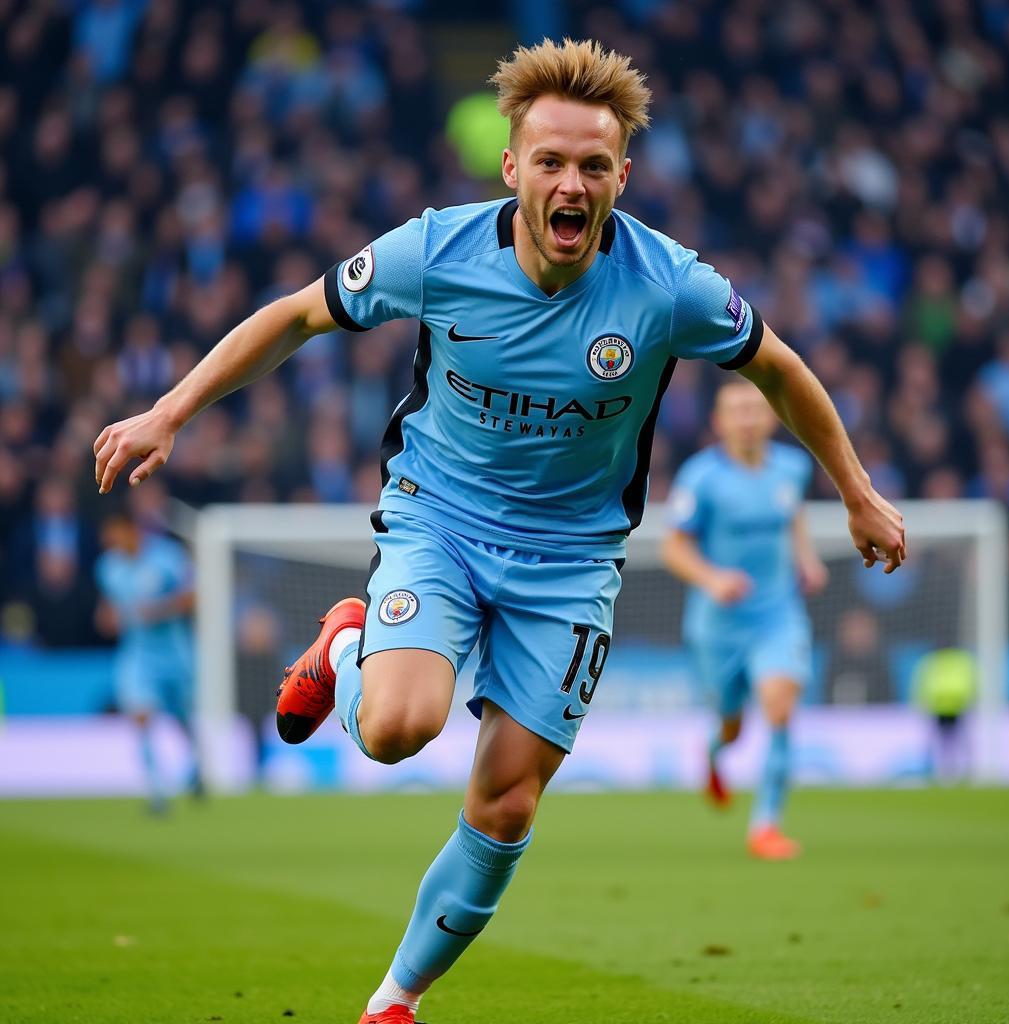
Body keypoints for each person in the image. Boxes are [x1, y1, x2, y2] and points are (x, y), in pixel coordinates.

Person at [92, 38, 905, 1024]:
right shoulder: (434, 251)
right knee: (396, 728)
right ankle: (349, 647)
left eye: (593, 165)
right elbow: (298, 316)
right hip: (441, 521)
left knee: (508, 803)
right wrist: (170, 409)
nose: (572, 182)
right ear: (512, 165)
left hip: (570, 560)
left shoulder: (668, 284)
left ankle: (394, 999)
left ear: (621, 177)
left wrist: (856, 492)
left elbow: (778, 367)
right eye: (551, 161)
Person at [662, 380, 829, 859]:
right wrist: (713, 579)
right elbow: (674, 547)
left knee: (779, 707)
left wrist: (807, 559)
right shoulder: (701, 478)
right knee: (733, 726)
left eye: (756, 409)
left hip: (778, 614)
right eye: (737, 410)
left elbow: (792, 516)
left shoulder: (792, 469)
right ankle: (715, 750)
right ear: (719, 422)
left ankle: (766, 826)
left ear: (771, 417)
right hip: (718, 624)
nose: (748, 418)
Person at [95, 506, 201, 814]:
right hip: (137, 656)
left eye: (116, 536)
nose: (112, 543)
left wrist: (157, 611)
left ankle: (197, 766)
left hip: (175, 653)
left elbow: (192, 598)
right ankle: (157, 791)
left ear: (131, 530)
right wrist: (107, 618)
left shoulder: (167, 557)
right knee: (141, 716)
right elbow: (108, 607)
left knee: (181, 717)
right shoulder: (108, 567)